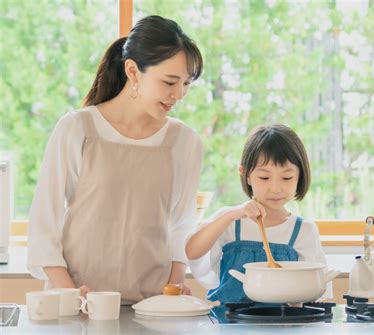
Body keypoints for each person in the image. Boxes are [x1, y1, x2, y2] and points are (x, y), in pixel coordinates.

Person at [27, 15, 203, 304]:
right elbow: (44, 225)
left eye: (186, 83)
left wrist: (173, 290)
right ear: (133, 71)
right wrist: (72, 294)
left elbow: (180, 226)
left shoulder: (185, 142)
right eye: (170, 82)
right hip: (76, 304)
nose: (179, 95)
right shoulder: (78, 129)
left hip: (151, 307)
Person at [185, 124, 331, 303]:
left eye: (286, 178)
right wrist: (230, 216)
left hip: (282, 326)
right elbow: (193, 251)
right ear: (245, 174)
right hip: (228, 325)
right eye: (264, 177)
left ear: (300, 176)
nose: (276, 189)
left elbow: (319, 290)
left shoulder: (304, 231)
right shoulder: (231, 220)